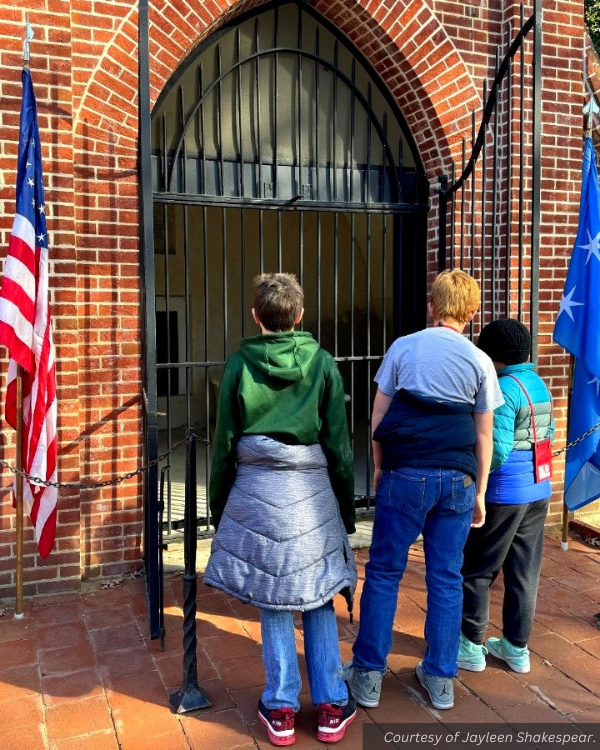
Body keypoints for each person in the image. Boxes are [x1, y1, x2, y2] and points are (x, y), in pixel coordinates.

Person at [203, 273, 357, 746]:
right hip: (312, 493)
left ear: (256, 317)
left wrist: (219, 504)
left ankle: (282, 706)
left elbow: (224, 441)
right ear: (300, 315)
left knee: (272, 596)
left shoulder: (237, 366)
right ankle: (331, 703)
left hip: (257, 486)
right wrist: (345, 510)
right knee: (317, 593)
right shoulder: (324, 364)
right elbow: (338, 443)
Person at [343, 269, 504, 711]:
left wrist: (378, 468)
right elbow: (484, 435)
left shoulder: (403, 347)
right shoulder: (479, 361)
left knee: (383, 572)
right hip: (457, 477)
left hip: (405, 473)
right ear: (471, 313)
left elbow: (379, 417)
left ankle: (369, 674)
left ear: (432, 305)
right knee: (446, 577)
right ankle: (440, 677)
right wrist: (480, 491)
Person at [458, 319, 553, 675]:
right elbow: (550, 433)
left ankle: (469, 644)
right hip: (538, 490)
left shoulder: (501, 388)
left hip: (503, 494)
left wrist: (475, 478)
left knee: (477, 569)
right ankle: (516, 647)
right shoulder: (538, 382)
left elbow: (495, 452)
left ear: (491, 354)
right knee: (523, 571)